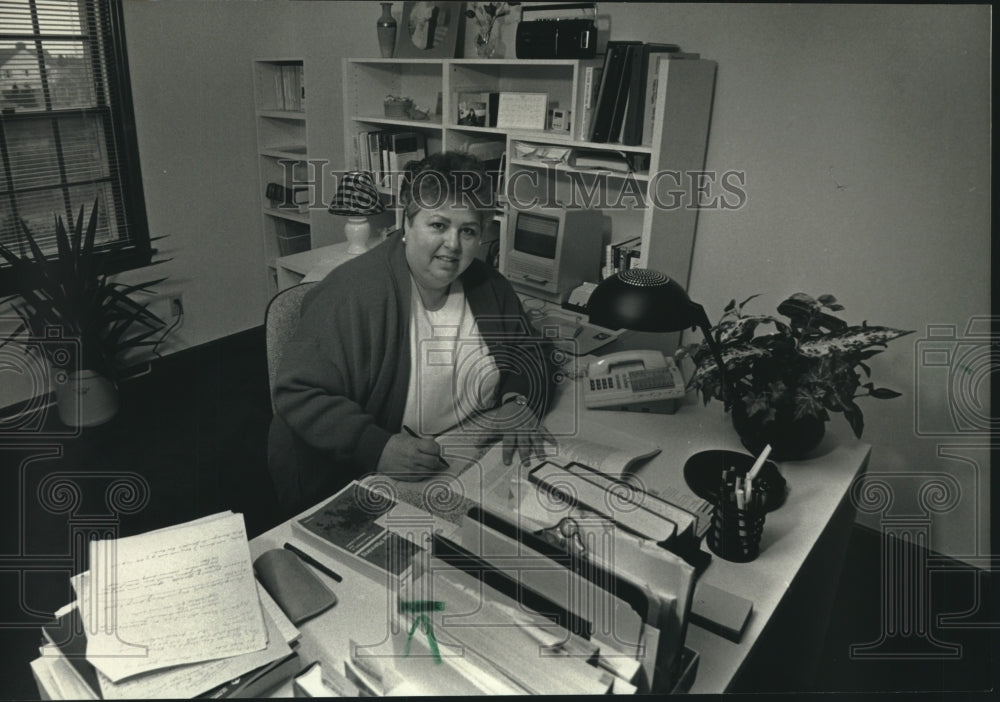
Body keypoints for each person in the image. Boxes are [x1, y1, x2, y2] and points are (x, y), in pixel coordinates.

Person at [268, 152, 555, 515]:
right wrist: (376, 446)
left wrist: (519, 403)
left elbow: (529, 353)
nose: (453, 244)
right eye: (438, 225)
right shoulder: (353, 292)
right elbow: (295, 391)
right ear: (408, 223)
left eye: (468, 230)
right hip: (359, 476)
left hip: (463, 460)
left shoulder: (488, 285)